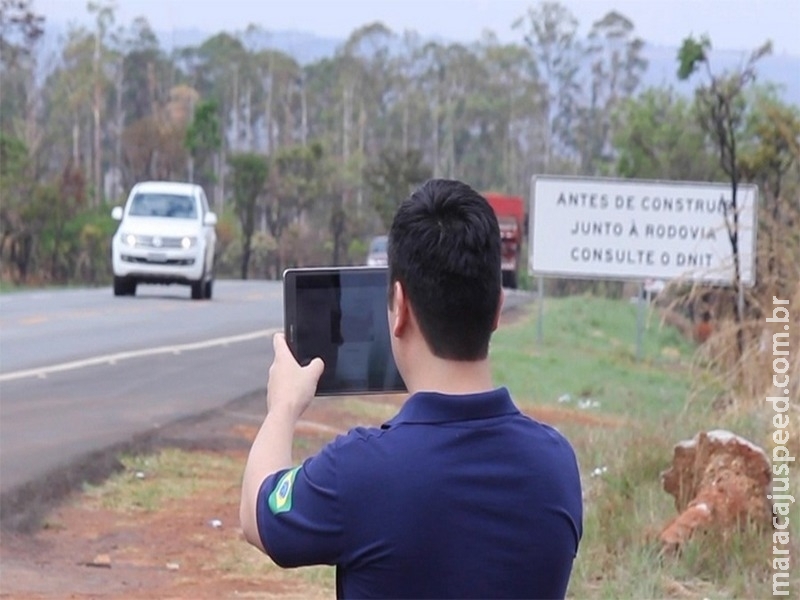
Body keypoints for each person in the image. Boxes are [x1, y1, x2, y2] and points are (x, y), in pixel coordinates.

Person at [240, 178, 583, 599]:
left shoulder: (359, 470)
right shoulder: (557, 465)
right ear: (497, 309)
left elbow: (258, 511)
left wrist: (283, 408)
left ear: (399, 308)